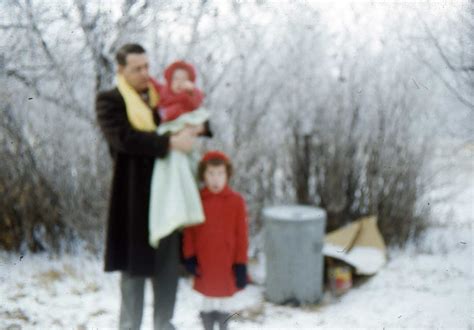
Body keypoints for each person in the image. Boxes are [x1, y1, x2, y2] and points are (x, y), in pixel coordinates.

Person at [95, 43, 211, 330]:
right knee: (134, 275)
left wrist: (197, 128)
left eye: (147, 66)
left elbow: (195, 115)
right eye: (137, 69)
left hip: (167, 197)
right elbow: (125, 139)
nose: (146, 73)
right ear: (121, 70)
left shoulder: (161, 95)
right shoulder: (110, 100)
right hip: (133, 199)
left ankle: (164, 326)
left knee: (167, 271)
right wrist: (170, 142)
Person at [182, 151, 249, 330]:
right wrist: (189, 257)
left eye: (220, 174)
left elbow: (241, 235)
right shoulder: (197, 199)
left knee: (225, 300)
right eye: (211, 174)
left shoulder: (236, 201)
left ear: (227, 175)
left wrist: (241, 263)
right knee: (208, 299)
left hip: (227, 261)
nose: (215, 179)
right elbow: (189, 230)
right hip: (205, 260)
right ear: (203, 174)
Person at [148, 61, 210, 248]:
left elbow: (198, 103)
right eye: (175, 78)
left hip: (185, 127)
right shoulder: (163, 92)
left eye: (185, 79)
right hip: (169, 133)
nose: (179, 83)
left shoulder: (189, 96)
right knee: (172, 168)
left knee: (187, 166)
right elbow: (153, 84)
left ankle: (186, 207)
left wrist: (191, 91)